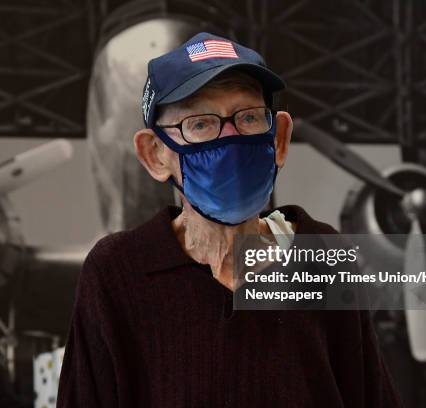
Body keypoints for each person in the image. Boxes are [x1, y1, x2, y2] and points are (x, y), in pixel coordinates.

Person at [57, 32, 402, 407]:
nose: (232, 138)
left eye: (250, 117)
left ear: (279, 139)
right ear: (155, 154)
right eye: (200, 123)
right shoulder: (117, 272)